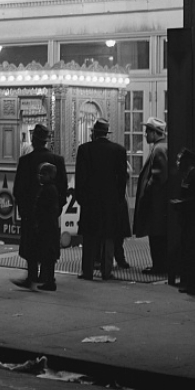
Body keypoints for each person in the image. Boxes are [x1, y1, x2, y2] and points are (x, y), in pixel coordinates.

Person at [12, 124, 68, 288]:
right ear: (46, 141)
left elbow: (18, 189)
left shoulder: (25, 161)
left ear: (34, 141)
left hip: (31, 212)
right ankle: (47, 276)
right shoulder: (58, 160)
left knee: (31, 244)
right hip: (49, 214)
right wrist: (57, 209)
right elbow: (63, 188)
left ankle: (31, 276)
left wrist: (23, 209)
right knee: (48, 244)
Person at [75, 118, 129, 281]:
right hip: (110, 201)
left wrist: (81, 198)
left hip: (90, 200)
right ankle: (107, 271)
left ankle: (88, 271)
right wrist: (119, 197)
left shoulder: (84, 150)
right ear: (106, 133)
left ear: (94, 133)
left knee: (90, 236)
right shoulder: (118, 150)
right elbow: (122, 177)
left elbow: (81, 177)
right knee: (109, 236)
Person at [18, 162, 63, 291]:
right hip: (48, 227)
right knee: (47, 255)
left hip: (46, 227)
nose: (40, 177)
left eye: (43, 174)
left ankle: (47, 280)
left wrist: (39, 222)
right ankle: (47, 279)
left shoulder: (48, 190)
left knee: (46, 254)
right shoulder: (50, 189)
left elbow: (46, 209)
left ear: (50, 175)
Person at [134, 117, 170, 275]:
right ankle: (160, 265)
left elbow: (158, 177)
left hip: (156, 204)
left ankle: (159, 266)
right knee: (158, 236)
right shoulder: (161, 147)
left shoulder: (158, 149)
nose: (145, 134)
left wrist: (147, 193)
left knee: (156, 237)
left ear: (156, 133)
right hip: (160, 203)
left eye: (148, 131)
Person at [171, 148, 195, 295]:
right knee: (187, 251)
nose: (177, 163)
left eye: (180, 160)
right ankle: (189, 283)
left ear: (187, 162)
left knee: (193, 253)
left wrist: (181, 203)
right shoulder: (186, 176)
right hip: (187, 220)